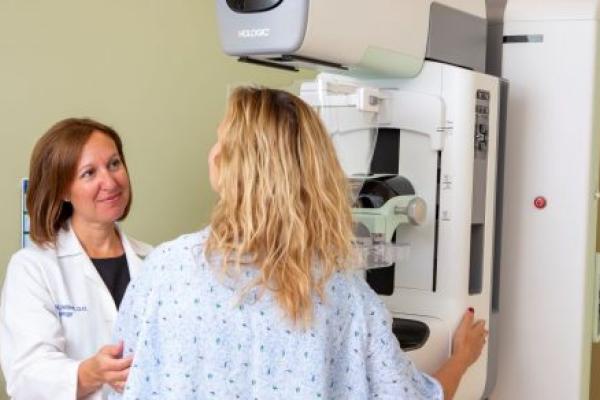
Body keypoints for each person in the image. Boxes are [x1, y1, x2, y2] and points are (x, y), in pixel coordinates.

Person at [110, 87, 487, 400]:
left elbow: (120, 381)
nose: (213, 151)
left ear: (232, 166)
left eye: (220, 140)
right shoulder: (343, 293)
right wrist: (463, 358)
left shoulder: (166, 270)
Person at [0, 118, 153, 399]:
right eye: (88, 173)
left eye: (114, 164)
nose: (109, 181)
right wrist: (89, 373)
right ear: (62, 190)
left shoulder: (155, 261)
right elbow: (25, 375)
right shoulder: (34, 268)